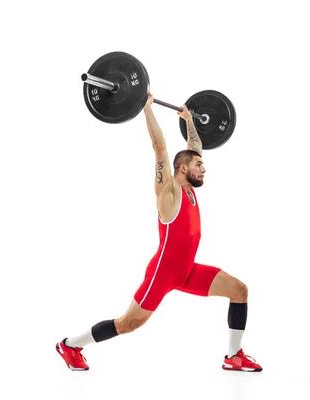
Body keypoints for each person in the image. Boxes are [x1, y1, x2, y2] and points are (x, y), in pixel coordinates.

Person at [56, 93, 262, 372]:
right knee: (127, 324)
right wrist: (146, 108)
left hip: (187, 270)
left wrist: (190, 120)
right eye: (198, 165)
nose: (204, 169)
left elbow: (195, 146)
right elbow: (159, 146)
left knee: (239, 290)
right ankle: (70, 345)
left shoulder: (189, 187)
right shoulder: (170, 192)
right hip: (163, 273)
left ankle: (233, 355)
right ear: (182, 168)